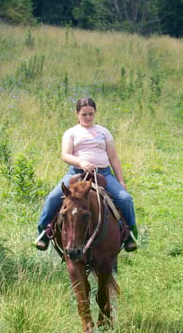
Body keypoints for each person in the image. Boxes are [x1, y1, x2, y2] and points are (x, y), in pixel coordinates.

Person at [35, 97, 138, 252]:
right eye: (84, 114)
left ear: (95, 113)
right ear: (77, 114)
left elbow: (113, 157)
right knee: (52, 198)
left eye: (91, 114)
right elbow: (65, 155)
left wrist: (121, 180)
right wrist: (81, 162)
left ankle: (130, 233)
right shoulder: (71, 133)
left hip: (103, 173)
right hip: (76, 172)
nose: (88, 118)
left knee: (125, 199)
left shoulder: (104, 132)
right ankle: (44, 232)